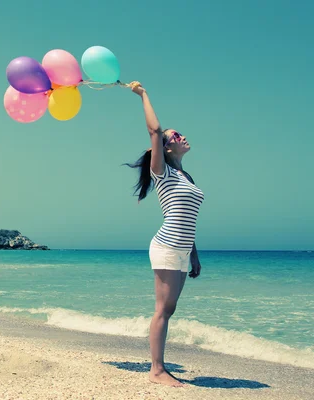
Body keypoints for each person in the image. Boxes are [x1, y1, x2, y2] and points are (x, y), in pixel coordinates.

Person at [125, 81, 205, 387]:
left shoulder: (186, 176)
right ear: (166, 147)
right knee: (164, 309)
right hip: (167, 245)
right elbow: (154, 131)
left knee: (169, 309)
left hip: (183, 250)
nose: (181, 136)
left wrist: (194, 255)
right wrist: (143, 94)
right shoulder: (162, 171)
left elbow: (189, 217)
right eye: (175, 135)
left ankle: (158, 366)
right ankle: (156, 370)